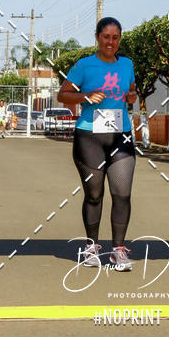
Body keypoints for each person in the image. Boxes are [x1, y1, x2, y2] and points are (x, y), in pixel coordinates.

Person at [57, 17, 138, 271]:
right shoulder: (84, 65)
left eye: (115, 38)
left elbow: (132, 90)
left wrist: (132, 96)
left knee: (122, 193)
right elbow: (62, 94)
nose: (110, 42)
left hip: (121, 136)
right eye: (106, 37)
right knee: (94, 195)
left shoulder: (127, 64)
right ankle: (91, 247)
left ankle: (118, 251)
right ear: (97, 37)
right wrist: (86, 96)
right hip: (89, 137)